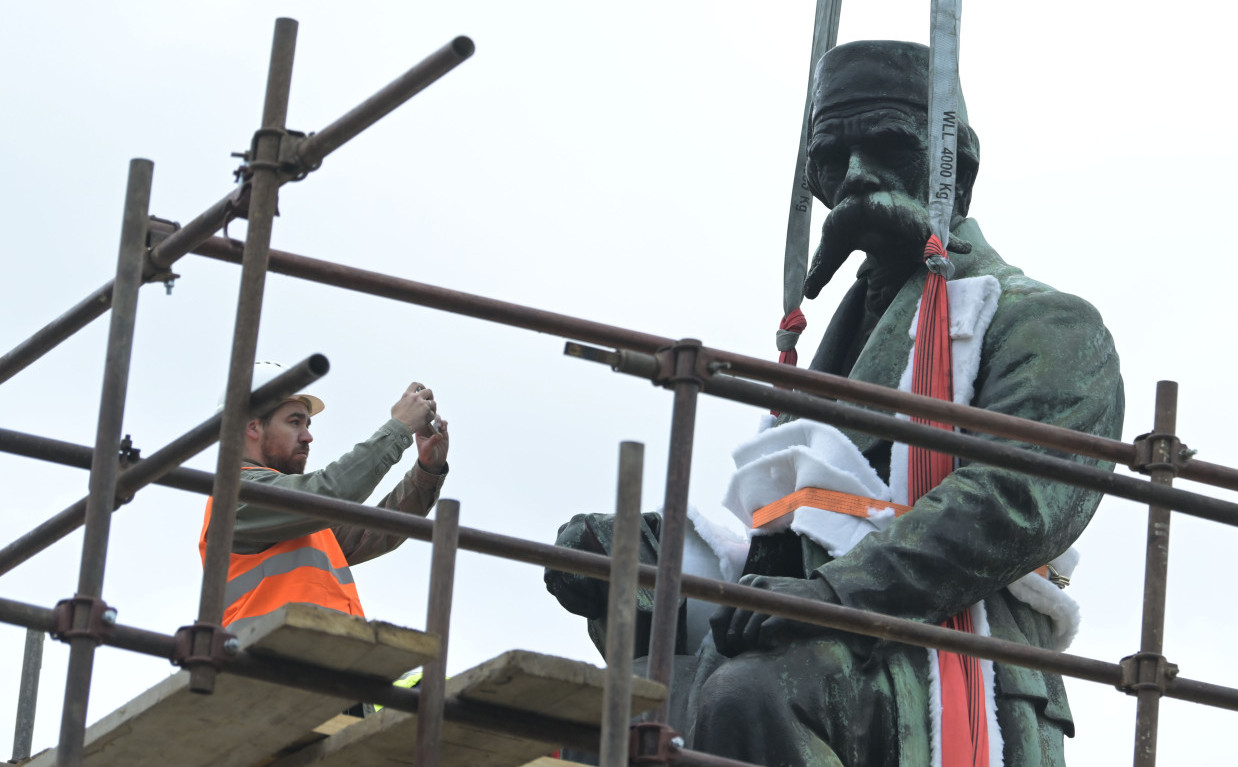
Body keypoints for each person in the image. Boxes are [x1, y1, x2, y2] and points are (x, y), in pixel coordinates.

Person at [547, 40, 1124, 766]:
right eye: (832, 159)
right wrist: (640, 549)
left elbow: (1013, 501)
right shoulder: (830, 345)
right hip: (810, 639)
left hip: (934, 651)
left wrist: (827, 596)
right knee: (612, 715)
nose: (855, 178)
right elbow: (791, 527)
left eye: (886, 147)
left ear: (959, 168)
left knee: (748, 694)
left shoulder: (1043, 321)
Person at [199, 361, 450, 634]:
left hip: (319, 655)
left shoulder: (300, 518)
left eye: (307, 424)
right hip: (263, 657)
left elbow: (374, 532)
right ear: (253, 427)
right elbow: (333, 490)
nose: (308, 436)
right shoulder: (237, 496)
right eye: (294, 422)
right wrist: (399, 428)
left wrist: (426, 471)